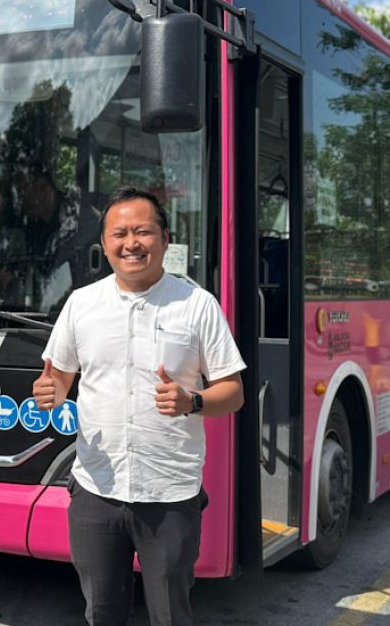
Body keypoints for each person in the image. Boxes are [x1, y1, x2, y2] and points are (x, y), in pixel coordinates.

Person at [32, 186, 245, 626]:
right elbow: (60, 379)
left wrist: (192, 401)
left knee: (170, 614)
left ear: (165, 238)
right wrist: (50, 391)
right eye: (119, 233)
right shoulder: (82, 304)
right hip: (96, 490)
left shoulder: (197, 305)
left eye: (143, 232)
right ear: (104, 243)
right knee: (102, 613)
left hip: (169, 495)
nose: (131, 243)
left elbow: (233, 392)